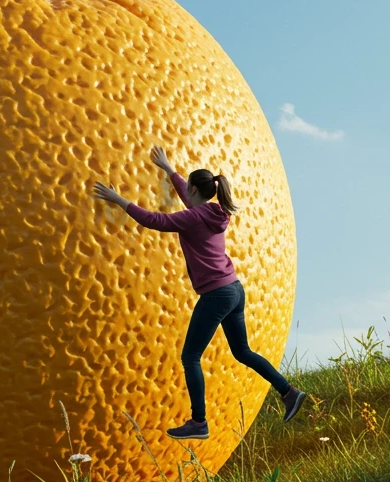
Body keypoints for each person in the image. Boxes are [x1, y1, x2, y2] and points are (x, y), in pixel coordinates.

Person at [91, 146, 307, 439]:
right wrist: (169, 171)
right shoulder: (216, 212)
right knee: (242, 351)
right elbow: (188, 199)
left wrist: (118, 199)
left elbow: (156, 221)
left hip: (217, 294)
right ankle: (289, 392)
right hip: (233, 289)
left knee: (190, 355)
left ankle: (199, 422)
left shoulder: (193, 218)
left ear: (195, 190)